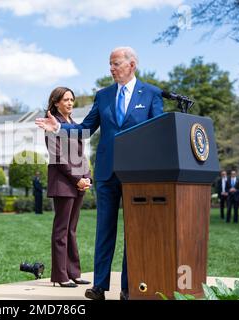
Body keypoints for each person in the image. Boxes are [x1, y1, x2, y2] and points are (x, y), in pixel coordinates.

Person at [36, 47, 163, 300]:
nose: (112, 69)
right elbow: (84, 129)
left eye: (116, 64)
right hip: (106, 174)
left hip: (136, 175)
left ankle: (128, 287)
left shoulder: (151, 94)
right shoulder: (103, 95)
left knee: (133, 232)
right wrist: (59, 127)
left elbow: (157, 131)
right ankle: (100, 286)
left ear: (132, 65)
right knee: (104, 230)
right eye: (110, 64)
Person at [44, 87, 92, 288]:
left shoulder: (74, 124)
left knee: (72, 230)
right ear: (56, 103)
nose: (70, 103)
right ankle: (60, 275)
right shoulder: (52, 124)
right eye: (65, 100)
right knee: (61, 230)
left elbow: (82, 154)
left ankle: (74, 272)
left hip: (78, 182)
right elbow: (58, 157)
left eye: (72, 99)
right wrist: (76, 179)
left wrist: (87, 176)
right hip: (64, 182)